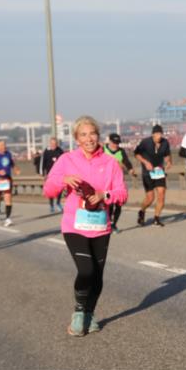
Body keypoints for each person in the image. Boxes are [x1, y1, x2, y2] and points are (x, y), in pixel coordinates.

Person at [43, 116, 128, 336]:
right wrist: (62, 180)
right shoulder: (66, 160)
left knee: (98, 275)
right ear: (76, 139)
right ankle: (79, 312)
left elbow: (122, 193)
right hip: (75, 225)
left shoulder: (110, 163)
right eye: (83, 135)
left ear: (98, 135)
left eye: (92, 133)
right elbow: (48, 190)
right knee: (86, 269)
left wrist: (104, 194)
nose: (88, 138)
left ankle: (89, 314)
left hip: (100, 225)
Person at [134, 125, 172, 227]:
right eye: (157, 134)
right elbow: (136, 154)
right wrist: (145, 162)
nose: (159, 136)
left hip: (159, 172)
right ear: (153, 134)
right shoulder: (145, 142)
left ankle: (156, 218)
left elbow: (167, 155)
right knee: (150, 198)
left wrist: (168, 161)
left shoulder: (165, 143)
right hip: (147, 173)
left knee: (161, 194)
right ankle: (142, 211)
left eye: (160, 134)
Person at [103, 133, 137, 233]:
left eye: (117, 143)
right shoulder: (102, 150)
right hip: (106, 181)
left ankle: (114, 224)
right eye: (114, 143)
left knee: (118, 203)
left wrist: (130, 169)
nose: (116, 145)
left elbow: (126, 161)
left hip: (118, 181)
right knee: (110, 204)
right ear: (109, 141)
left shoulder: (121, 151)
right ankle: (108, 223)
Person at [0, 140, 19, 226]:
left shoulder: (8, 154)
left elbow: (12, 163)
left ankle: (8, 218)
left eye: (4, 145)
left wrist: (15, 169)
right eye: (1, 146)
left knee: (8, 198)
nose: (3, 147)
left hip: (7, 179)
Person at [39, 137, 65, 213]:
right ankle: (51, 205)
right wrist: (42, 173)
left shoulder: (60, 151)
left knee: (60, 189)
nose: (54, 145)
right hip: (49, 174)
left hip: (59, 174)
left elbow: (64, 162)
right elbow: (42, 162)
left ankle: (58, 203)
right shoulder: (46, 151)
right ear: (50, 144)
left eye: (55, 144)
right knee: (51, 190)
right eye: (52, 144)